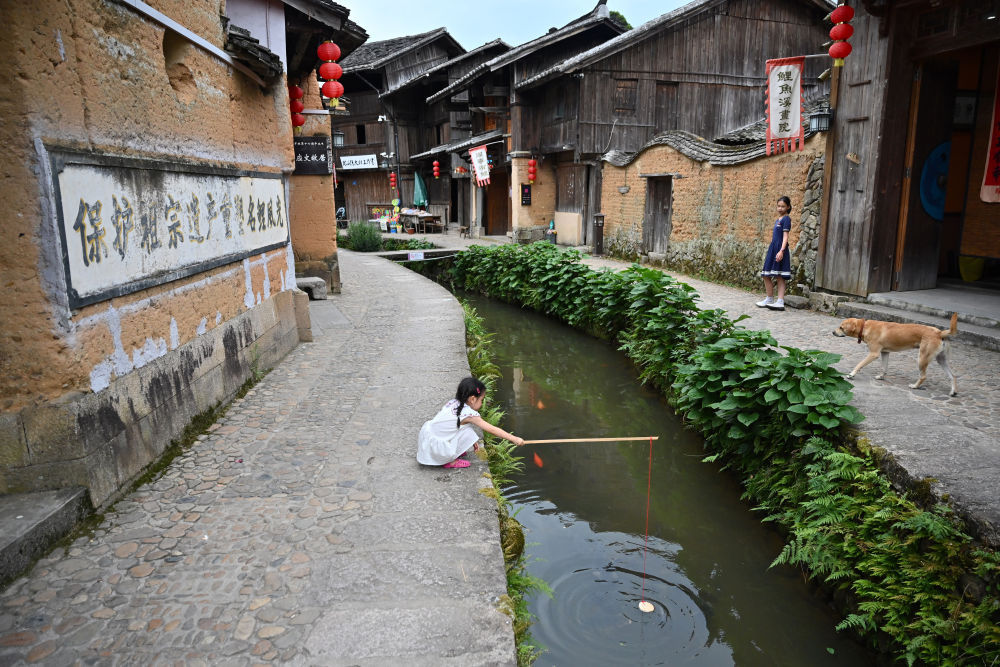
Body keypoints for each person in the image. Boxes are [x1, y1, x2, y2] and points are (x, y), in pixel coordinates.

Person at [417, 377, 524, 469]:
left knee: (468, 430)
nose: (482, 403)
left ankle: (452, 450)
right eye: (481, 400)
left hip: (428, 438)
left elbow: (453, 427)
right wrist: (514, 439)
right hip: (437, 449)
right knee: (469, 431)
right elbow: (492, 429)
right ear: (472, 399)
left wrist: (472, 441)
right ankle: (449, 461)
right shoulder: (469, 414)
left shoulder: (454, 403)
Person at [756, 196, 793, 311]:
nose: (780, 208)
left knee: (779, 276)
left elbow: (785, 237)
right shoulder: (778, 219)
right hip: (773, 249)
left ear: (788, 207)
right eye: (778, 206)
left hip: (780, 249)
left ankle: (780, 301)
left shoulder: (786, 219)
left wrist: (781, 251)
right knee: (765, 274)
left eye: (783, 206)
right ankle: (769, 298)